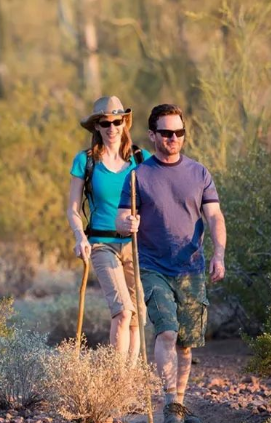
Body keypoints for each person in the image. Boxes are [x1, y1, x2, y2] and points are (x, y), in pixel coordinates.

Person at [115, 104, 226, 423]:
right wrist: (128, 224)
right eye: (166, 132)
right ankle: (168, 404)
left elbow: (214, 215)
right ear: (152, 135)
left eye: (179, 132)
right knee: (167, 332)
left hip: (191, 268)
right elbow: (122, 218)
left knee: (186, 344)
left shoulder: (199, 172)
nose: (173, 137)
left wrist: (218, 253)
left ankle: (177, 402)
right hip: (153, 268)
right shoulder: (138, 177)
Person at [67, 95, 151, 363]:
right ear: (97, 127)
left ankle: (129, 379)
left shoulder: (142, 159)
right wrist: (80, 237)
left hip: (136, 244)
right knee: (123, 311)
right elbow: (72, 209)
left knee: (138, 314)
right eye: (105, 123)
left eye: (117, 122)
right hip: (102, 244)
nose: (112, 128)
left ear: (125, 123)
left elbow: (155, 201)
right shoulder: (86, 161)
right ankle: (117, 378)